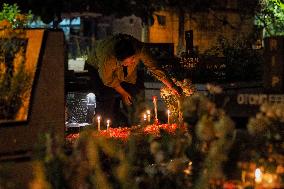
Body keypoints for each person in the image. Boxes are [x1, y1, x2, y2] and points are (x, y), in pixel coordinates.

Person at [86, 33, 182, 126]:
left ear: (134, 56)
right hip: (95, 67)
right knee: (106, 95)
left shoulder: (140, 49)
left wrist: (172, 86)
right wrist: (123, 93)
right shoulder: (107, 58)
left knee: (134, 93)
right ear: (117, 60)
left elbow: (155, 67)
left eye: (129, 62)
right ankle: (106, 127)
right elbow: (108, 80)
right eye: (123, 63)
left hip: (126, 74)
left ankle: (132, 124)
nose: (126, 64)